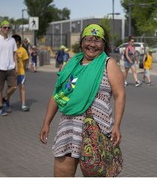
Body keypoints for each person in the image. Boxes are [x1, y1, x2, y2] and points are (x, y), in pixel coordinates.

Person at [39, 24, 125, 177]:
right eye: (88, 39)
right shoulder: (71, 65)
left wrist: (117, 125)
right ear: (81, 42)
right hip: (69, 128)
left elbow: (120, 95)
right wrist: (47, 122)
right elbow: (57, 94)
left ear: (104, 44)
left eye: (97, 40)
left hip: (96, 130)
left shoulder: (108, 64)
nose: (92, 44)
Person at [12, 34, 30, 112]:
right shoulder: (10, 50)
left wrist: (23, 69)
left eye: (15, 42)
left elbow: (25, 61)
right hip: (12, 72)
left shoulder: (23, 50)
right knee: (12, 88)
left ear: (18, 42)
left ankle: (23, 105)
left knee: (22, 88)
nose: (14, 43)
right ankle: (6, 101)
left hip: (21, 72)